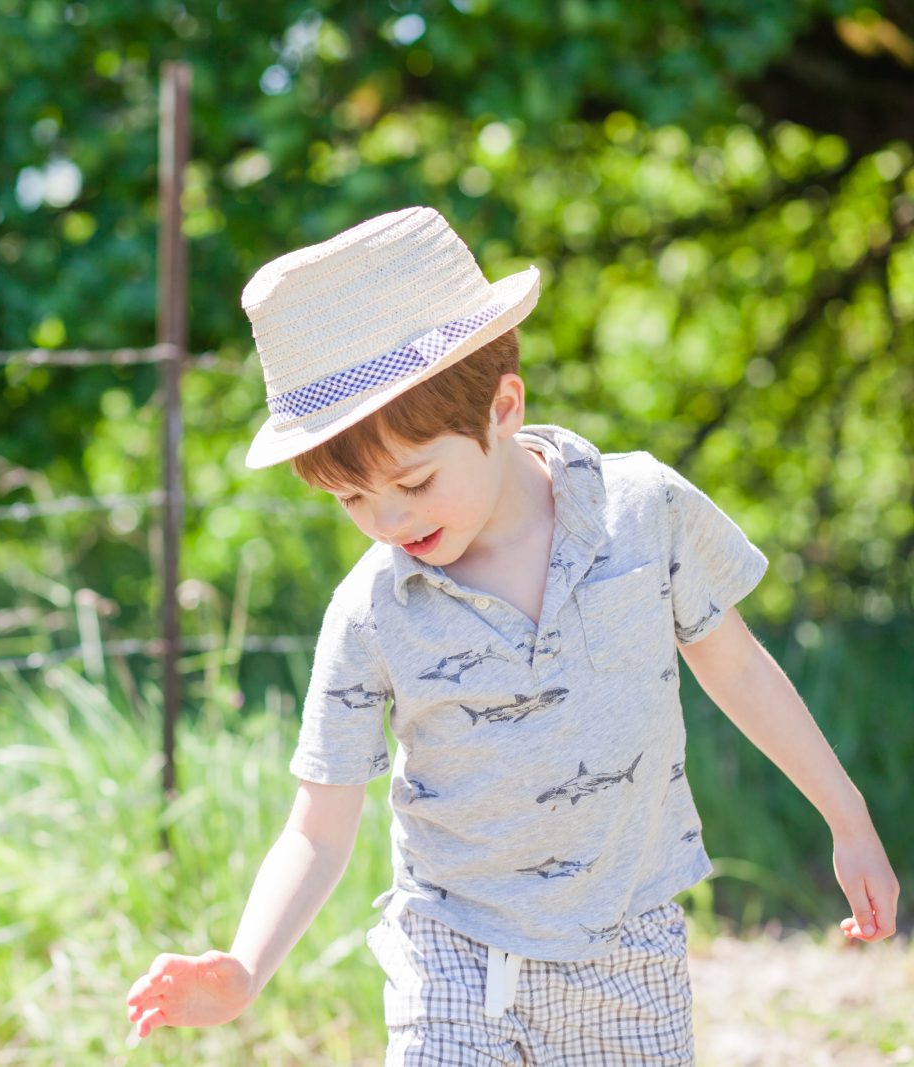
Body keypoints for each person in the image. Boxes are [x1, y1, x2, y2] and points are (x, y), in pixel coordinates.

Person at [124, 206, 900, 1063]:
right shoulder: (373, 608)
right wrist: (244, 966)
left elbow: (740, 669)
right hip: (449, 959)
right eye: (352, 500)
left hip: (629, 956)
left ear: (502, 406)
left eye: (412, 482)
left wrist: (847, 815)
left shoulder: (644, 512)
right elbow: (318, 824)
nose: (386, 520)